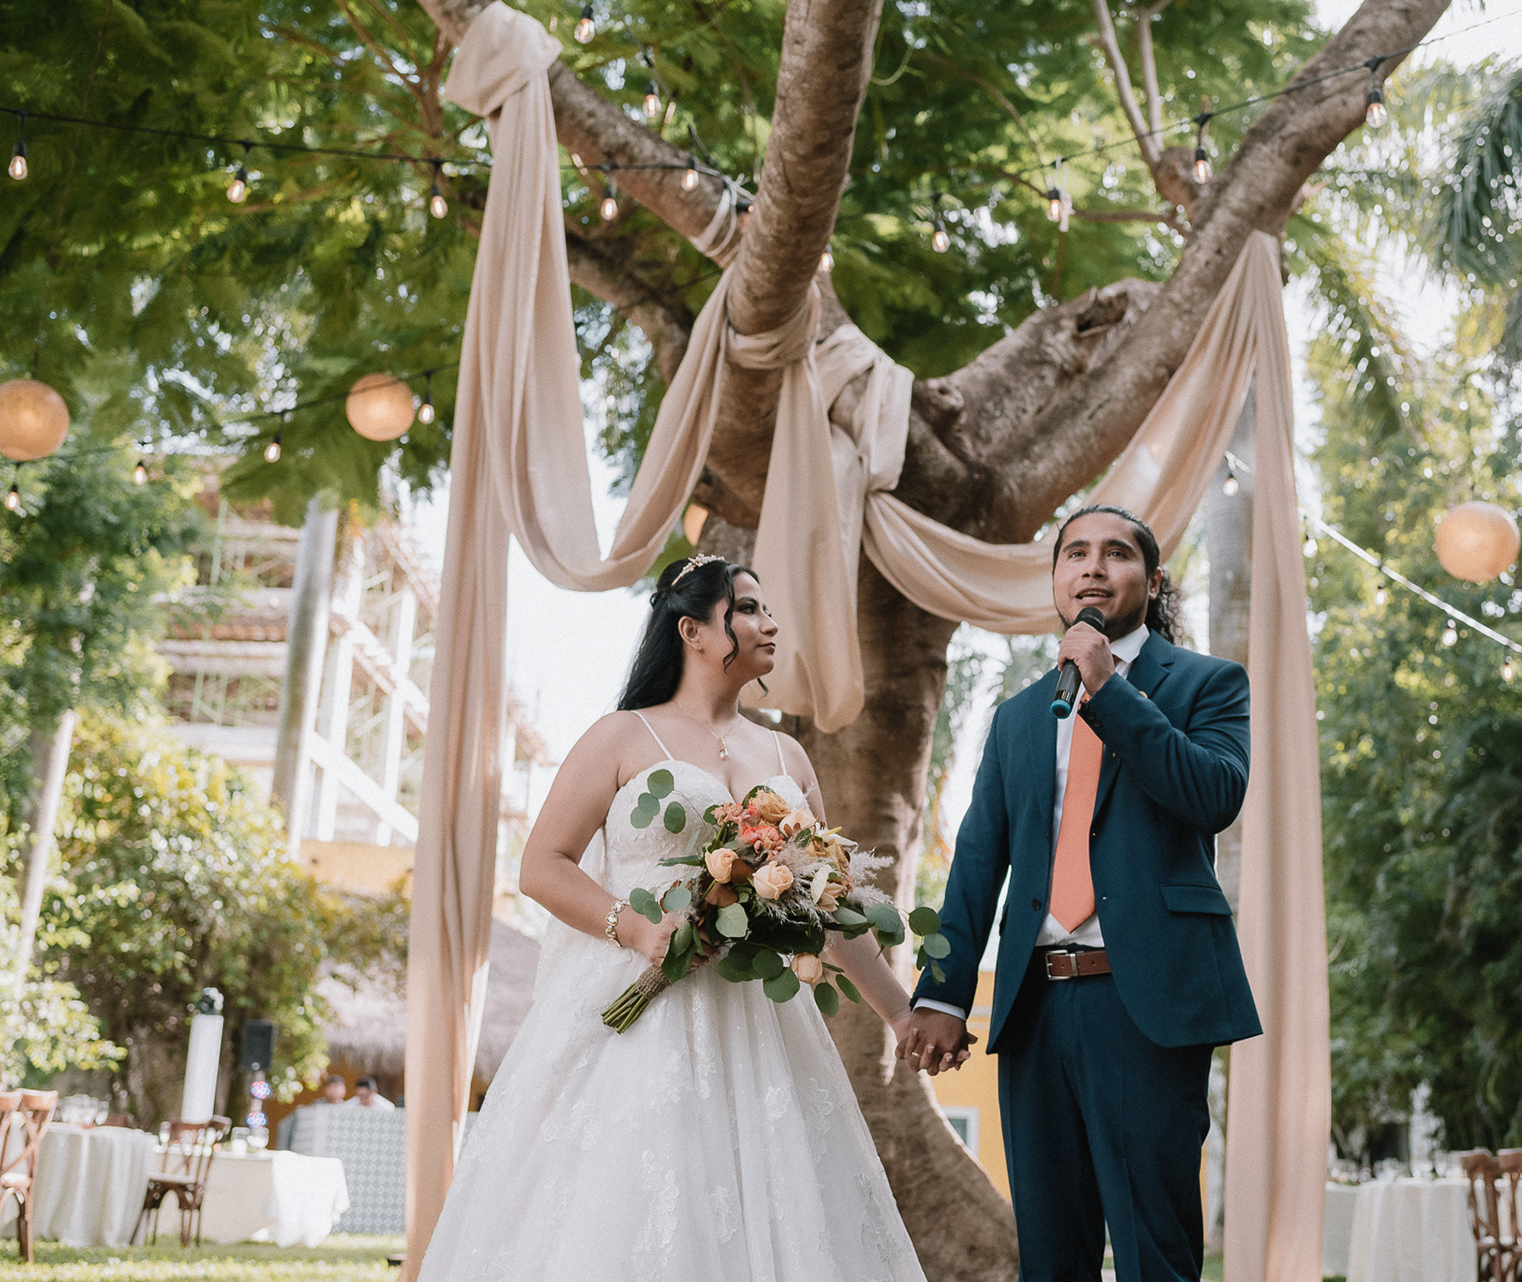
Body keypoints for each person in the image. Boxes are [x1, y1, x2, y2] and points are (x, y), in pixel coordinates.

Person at [417, 555, 927, 1282]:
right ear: (692, 630)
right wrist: (637, 930)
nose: (769, 623)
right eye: (747, 609)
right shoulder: (620, 737)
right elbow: (543, 865)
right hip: (636, 1013)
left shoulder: (787, 755)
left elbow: (832, 908)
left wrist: (901, 1015)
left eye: (766, 610)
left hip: (757, 1022)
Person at [902, 505, 1260, 1282]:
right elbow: (977, 860)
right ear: (1058, 580)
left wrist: (1108, 689)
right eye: (1075, 553)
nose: (1093, 566)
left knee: (1154, 1251)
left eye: (1116, 553)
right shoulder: (1017, 717)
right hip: (1034, 1007)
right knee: (1051, 1256)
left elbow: (1213, 795)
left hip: (1145, 1003)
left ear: (1153, 581)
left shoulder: (1208, 684)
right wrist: (943, 994)